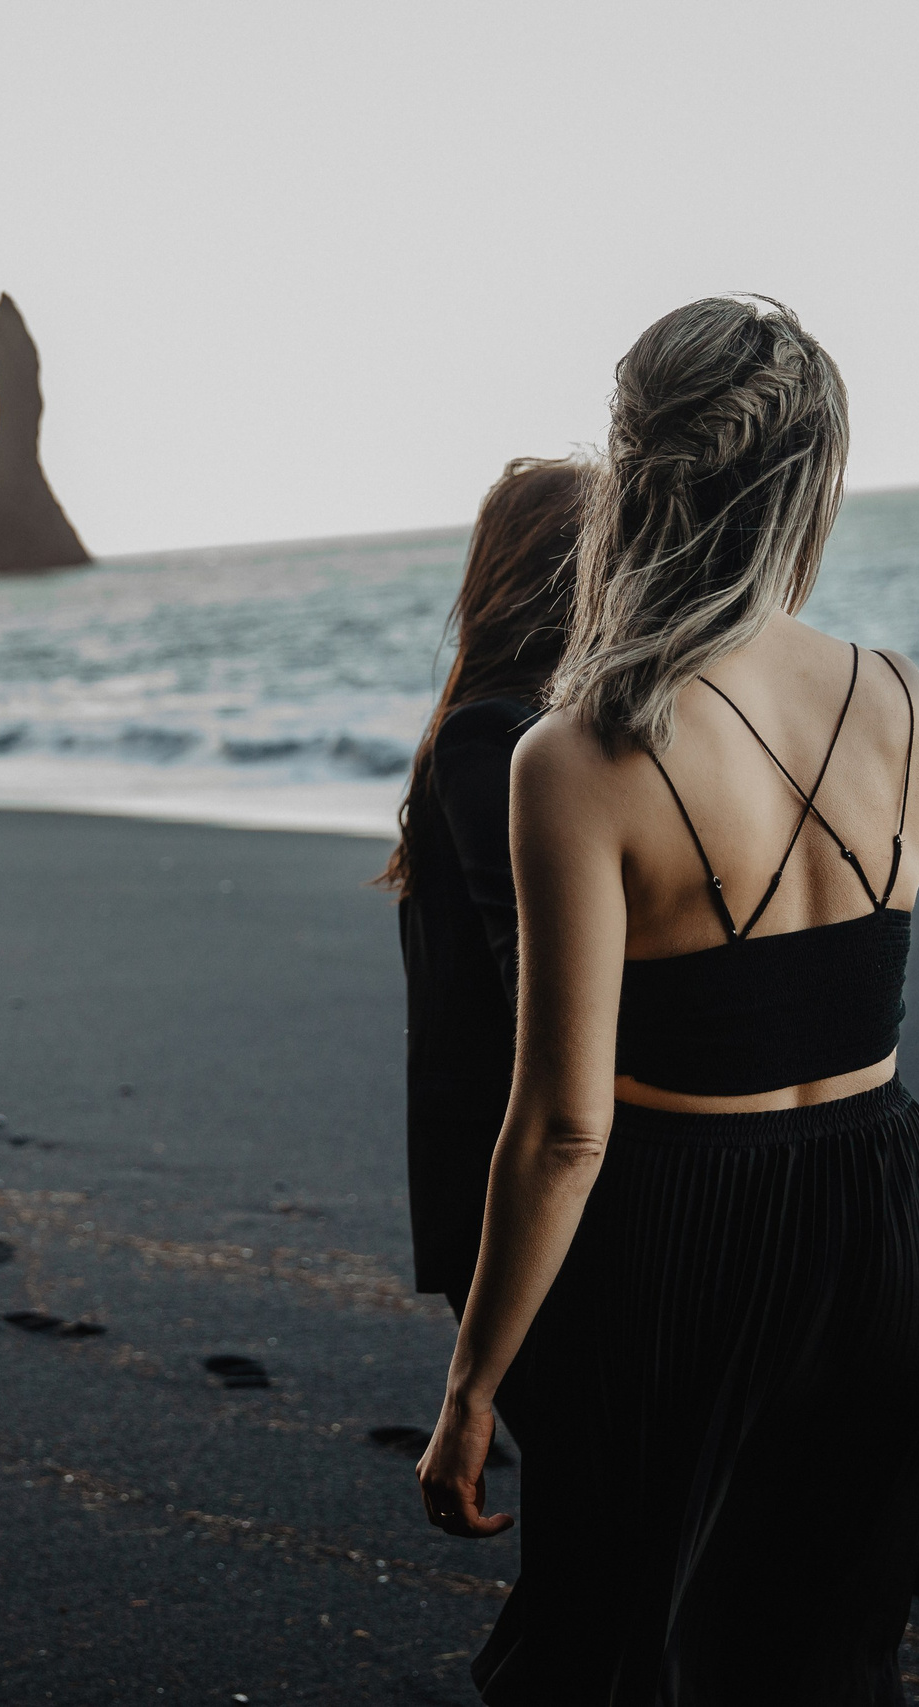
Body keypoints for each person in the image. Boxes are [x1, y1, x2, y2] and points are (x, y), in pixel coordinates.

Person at [415, 296, 919, 1704]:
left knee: (621, 1658)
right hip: (890, 1217)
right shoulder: (900, 697)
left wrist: (476, 1380)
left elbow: (561, 1126)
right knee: (832, 1659)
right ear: (814, 477)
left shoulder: (579, 750)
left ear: (636, 468)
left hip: (680, 1243)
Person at [382, 458, 587, 1318]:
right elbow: (526, 980)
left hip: (540, 1157)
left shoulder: (529, 729)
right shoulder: (491, 738)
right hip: (512, 1174)